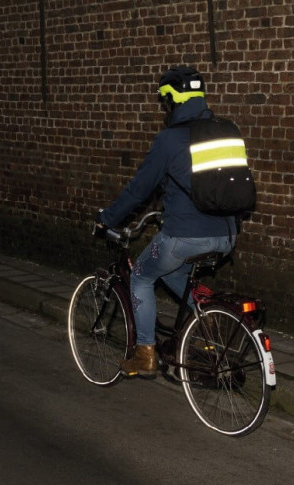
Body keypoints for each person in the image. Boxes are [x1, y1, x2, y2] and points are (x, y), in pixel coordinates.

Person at [96, 66, 237, 378]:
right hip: (226, 236)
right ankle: (205, 314)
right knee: (175, 272)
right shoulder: (227, 130)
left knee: (142, 276)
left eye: (166, 102)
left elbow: (138, 191)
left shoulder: (169, 140)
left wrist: (108, 218)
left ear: (173, 101)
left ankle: (145, 353)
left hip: (185, 236)